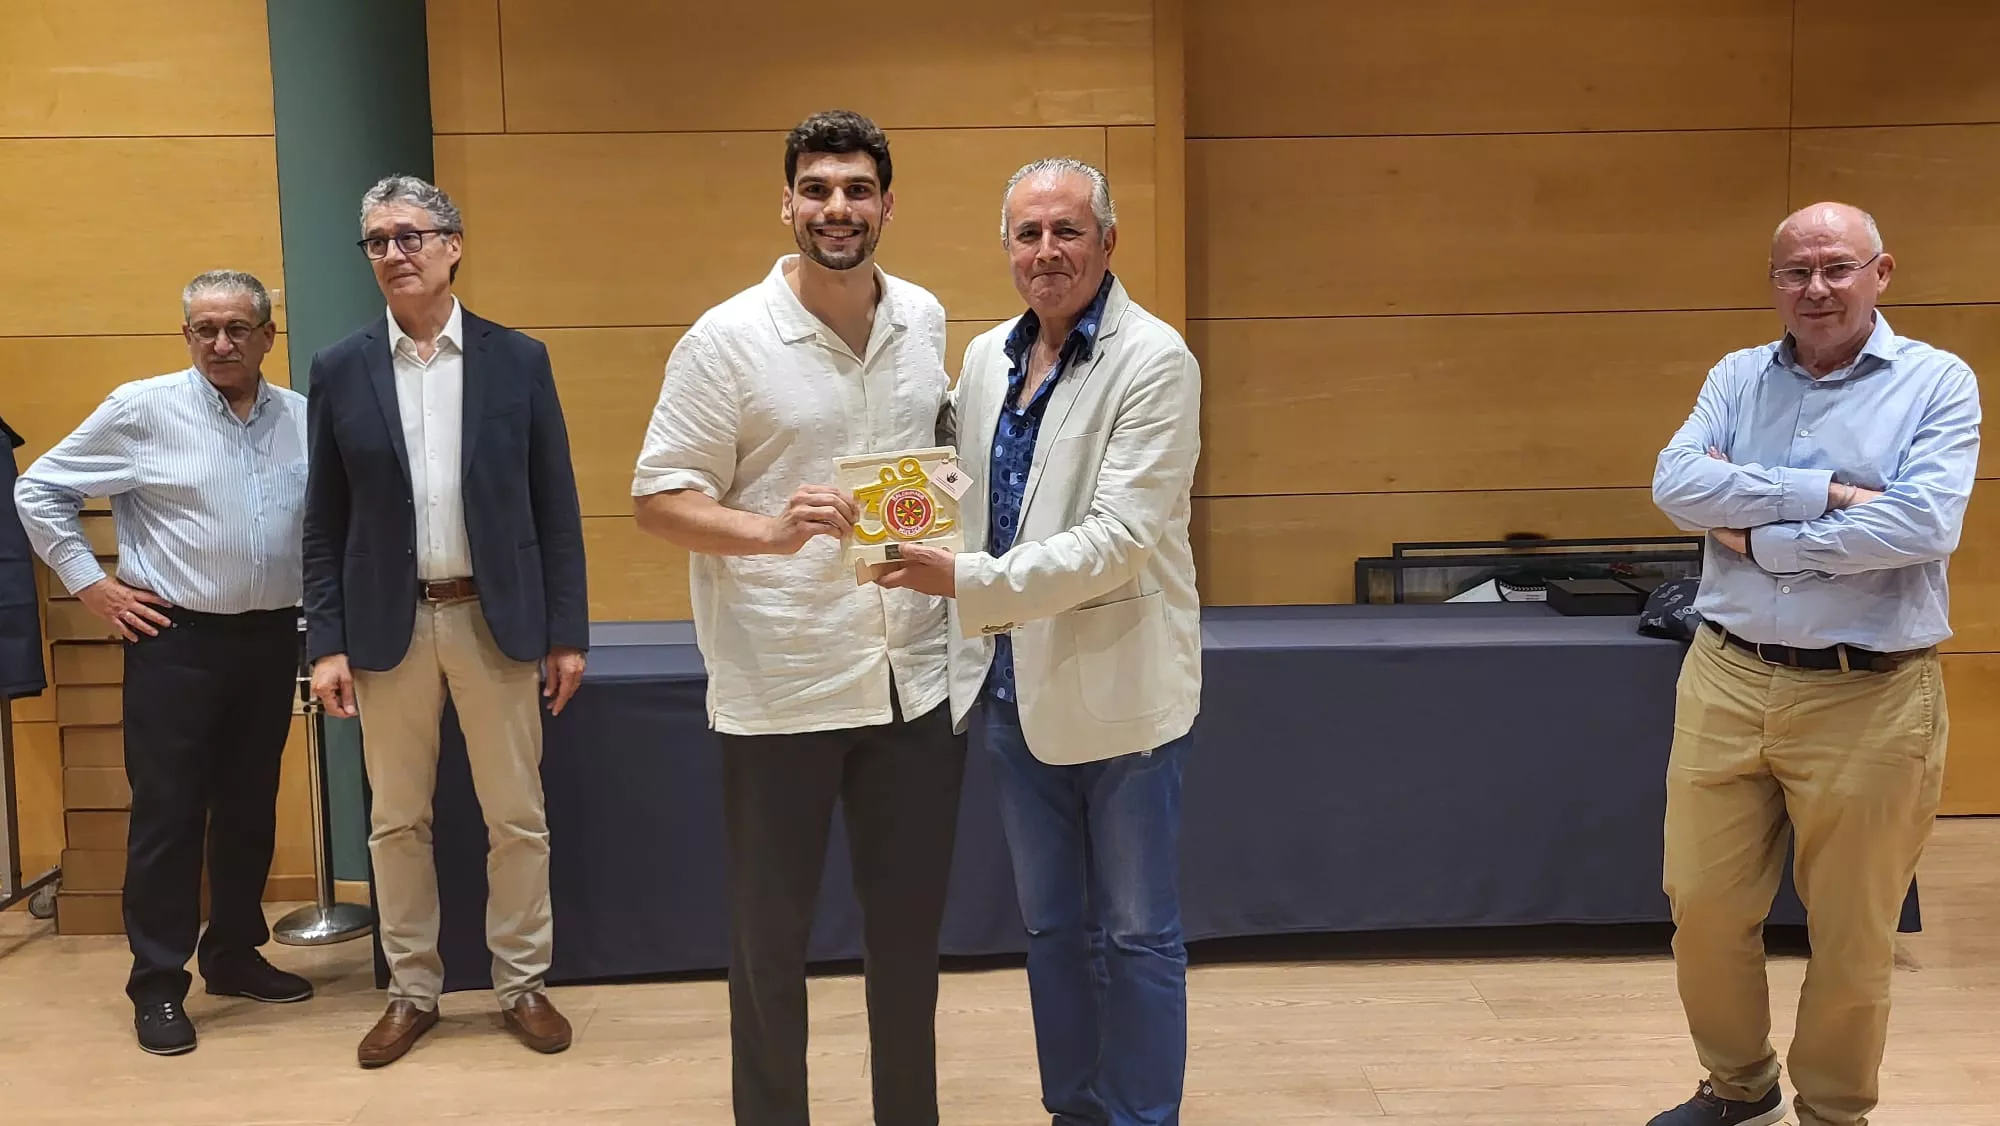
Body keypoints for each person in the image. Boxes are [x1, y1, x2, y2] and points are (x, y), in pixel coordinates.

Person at [632, 109, 966, 1126]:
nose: (836, 208)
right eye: (816, 189)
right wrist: (770, 535)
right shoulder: (723, 339)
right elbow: (656, 499)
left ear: (886, 205)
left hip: (913, 678)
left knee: (908, 944)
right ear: (786, 203)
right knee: (769, 949)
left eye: (856, 190)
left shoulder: (925, 317)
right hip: (782, 683)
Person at [875, 157, 1203, 1126]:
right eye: (1028, 233)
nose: (1046, 251)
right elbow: (947, 489)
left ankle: (1141, 1117)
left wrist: (960, 581)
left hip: (1123, 695)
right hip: (1011, 691)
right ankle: (1076, 1110)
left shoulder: (1155, 360)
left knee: (1137, 934)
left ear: (1106, 241)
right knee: (1052, 929)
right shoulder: (984, 359)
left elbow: (1116, 539)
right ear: (1007, 247)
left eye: (1066, 231)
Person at [1647, 201, 1979, 1126]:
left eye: (1838, 267)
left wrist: (1757, 540)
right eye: (1795, 272)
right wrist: (1824, 494)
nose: (1816, 288)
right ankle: (1738, 1085)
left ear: (1883, 272)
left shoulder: (1937, 383)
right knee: (1703, 906)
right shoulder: (1738, 376)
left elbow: (1920, 524)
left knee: (1851, 931)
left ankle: (1833, 1109)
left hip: (1870, 694)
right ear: (1775, 284)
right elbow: (1676, 484)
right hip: (1725, 674)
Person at [302, 174, 589, 1068]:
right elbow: (324, 519)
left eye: (410, 236)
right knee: (396, 822)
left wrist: (567, 631)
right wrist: (326, 644)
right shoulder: (340, 367)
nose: (394, 254)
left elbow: (556, 504)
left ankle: (522, 983)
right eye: (378, 242)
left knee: (517, 817)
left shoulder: (518, 359)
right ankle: (412, 991)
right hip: (388, 629)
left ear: (454, 245)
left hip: (495, 621)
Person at [15, 270, 313, 1056]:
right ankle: (157, 983)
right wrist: (93, 587)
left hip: (272, 637)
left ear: (265, 337)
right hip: (174, 640)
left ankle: (235, 954)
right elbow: (39, 489)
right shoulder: (142, 409)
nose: (222, 342)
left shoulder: (305, 421)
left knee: (251, 806)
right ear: (186, 335)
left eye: (238, 328)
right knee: (169, 815)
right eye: (205, 329)